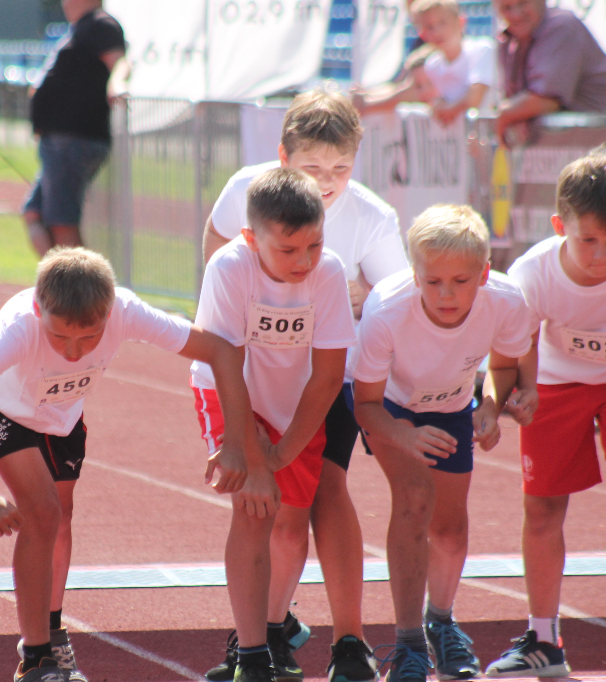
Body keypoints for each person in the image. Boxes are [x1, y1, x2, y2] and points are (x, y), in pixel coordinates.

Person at [0, 247, 270, 682]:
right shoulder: (17, 330)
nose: (74, 352)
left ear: (109, 314)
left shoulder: (126, 311)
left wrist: (236, 444)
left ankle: (52, 631)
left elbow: (221, 351)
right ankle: (35, 658)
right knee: (43, 513)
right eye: (59, 337)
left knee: (62, 517)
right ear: (39, 310)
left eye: (89, 338)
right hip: (2, 410)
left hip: (62, 414)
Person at [202, 86, 408, 682]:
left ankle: (349, 642)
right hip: (253, 372)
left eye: (341, 168)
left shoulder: (369, 219)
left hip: (329, 372)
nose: (327, 181)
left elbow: (395, 302)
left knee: (326, 492)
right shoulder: (248, 193)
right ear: (283, 156)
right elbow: (217, 249)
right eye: (313, 167)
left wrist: (355, 299)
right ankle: (264, 636)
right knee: (266, 508)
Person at [487, 155, 606, 682]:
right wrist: (512, 396)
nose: (601, 255)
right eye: (588, 240)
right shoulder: (532, 273)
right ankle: (543, 640)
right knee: (542, 507)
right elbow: (512, 353)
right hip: (555, 381)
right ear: (559, 227)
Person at [350, 204, 535, 682]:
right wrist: (404, 434)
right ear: (415, 275)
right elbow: (364, 405)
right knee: (415, 497)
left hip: (452, 407)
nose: (446, 294)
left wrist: (491, 406)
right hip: (390, 407)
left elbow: (504, 366)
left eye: (460, 281)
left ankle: (441, 621)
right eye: (432, 281)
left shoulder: (506, 301)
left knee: (450, 530)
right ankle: (410, 646)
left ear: (484, 273)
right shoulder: (386, 312)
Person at [192, 168, 357, 682]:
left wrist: (281, 454)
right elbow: (226, 365)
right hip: (227, 390)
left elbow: (327, 376)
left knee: (290, 525)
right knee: (255, 508)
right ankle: (251, 656)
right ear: (251, 238)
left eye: (314, 245)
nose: (303, 261)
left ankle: (271, 633)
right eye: (288, 250)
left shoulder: (328, 272)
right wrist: (255, 459)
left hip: (295, 404)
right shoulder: (229, 268)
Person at [22, 0, 127, 256]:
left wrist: (117, 83)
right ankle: (60, 279)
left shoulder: (101, 23)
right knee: (34, 214)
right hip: (59, 141)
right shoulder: (78, 29)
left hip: (75, 139)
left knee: (61, 222)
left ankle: (83, 282)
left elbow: (121, 63)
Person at [493, 0, 606, 143]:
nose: (516, 14)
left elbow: (545, 100)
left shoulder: (561, 26)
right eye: (506, 7)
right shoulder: (509, 39)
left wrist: (502, 117)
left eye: (523, 3)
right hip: (578, 146)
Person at [353, 0, 495, 124]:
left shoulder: (481, 50)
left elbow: (473, 100)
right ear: (422, 34)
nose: (437, 31)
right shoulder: (432, 65)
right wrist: (367, 100)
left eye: (443, 23)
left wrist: (444, 108)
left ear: (460, 22)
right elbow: (409, 93)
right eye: (429, 27)